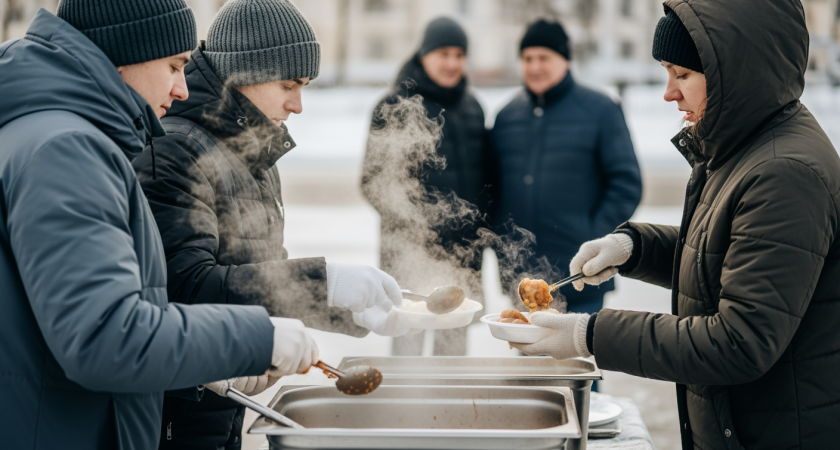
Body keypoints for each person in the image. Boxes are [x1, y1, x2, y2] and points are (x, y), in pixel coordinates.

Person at [511, 2, 840, 448]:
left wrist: (589, 334)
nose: (669, 93)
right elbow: (721, 262)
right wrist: (635, 247)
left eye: (681, 74)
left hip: (776, 433)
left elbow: (739, 342)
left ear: (736, 70)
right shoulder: (739, 149)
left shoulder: (785, 172)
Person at [0, 1, 320, 449]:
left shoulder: (57, 135)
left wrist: (202, 368)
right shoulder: (67, 149)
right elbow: (104, 337)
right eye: (174, 66)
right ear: (127, 51)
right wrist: (254, 337)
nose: (184, 89)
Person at [131, 1, 414, 447]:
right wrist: (326, 282)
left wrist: (347, 308)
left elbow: (263, 276)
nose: (298, 104)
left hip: (222, 405)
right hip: (177, 410)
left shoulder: (252, 155)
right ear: (244, 73)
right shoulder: (176, 152)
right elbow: (183, 286)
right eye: (288, 84)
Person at [489, 19, 642, 314]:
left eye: (544, 58)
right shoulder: (506, 117)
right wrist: (502, 244)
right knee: (527, 359)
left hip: (580, 277)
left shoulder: (600, 110)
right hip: (522, 281)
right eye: (527, 58)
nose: (535, 67)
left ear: (566, 60)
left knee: (574, 361)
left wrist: (592, 237)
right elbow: (493, 188)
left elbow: (626, 184)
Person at [362, 17, 490, 357]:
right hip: (410, 256)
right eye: (443, 53)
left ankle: (450, 410)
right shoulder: (393, 106)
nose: (452, 63)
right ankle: (406, 411)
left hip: (462, 259)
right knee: (408, 348)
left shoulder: (473, 108)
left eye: (459, 55)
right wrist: (420, 229)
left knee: (453, 353)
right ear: (424, 55)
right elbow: (372, 182)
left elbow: (484, 182)